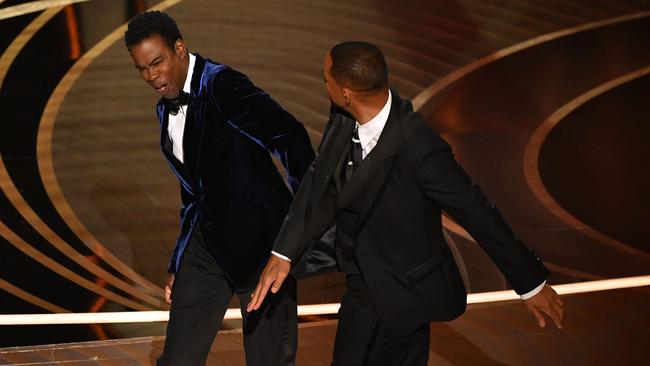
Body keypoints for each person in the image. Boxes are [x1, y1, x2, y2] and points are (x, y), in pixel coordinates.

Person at [248, 41, 564, 365]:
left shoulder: (420, 148)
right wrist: (283, 251)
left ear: (346, 93)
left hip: (405, 289)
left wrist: (531, 283)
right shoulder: (344, 116)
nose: (323, 83)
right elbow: (321, 177)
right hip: (363, 283)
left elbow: (476, 211)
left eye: (325, 78)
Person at [124, 11, 314, 366]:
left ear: (179, 48)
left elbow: (291, 138)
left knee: (269, 360)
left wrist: (297, 229)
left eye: (156, 63)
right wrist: (178, 260)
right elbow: (192, 190)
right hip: (207, 244)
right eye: (142, 69)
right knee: (178, 358)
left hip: (262, 246)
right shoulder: (165, 109)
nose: (151, 76)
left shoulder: (223, 86)